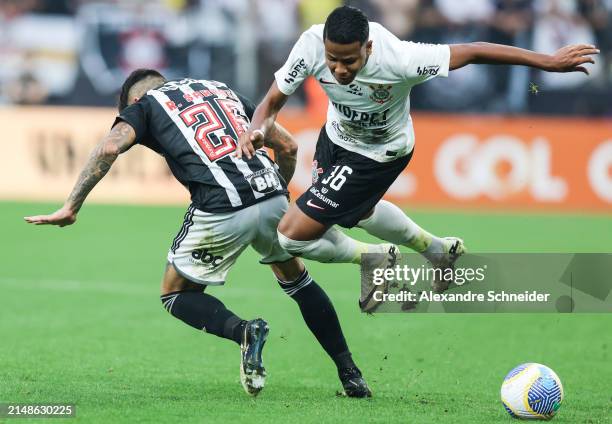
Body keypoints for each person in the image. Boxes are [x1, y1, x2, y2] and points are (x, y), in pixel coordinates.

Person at [24, 69, 373, 398]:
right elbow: (289, 146)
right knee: (296, 280)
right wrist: (273, 195)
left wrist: (71, 205)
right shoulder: (220, 89)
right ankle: (350, 372)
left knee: (174, 294)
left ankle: (244, 331)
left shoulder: (145, 106)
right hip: (270, 192)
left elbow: (110, 147)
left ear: (131, 103)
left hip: (220, 205)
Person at [236, 5, 599, 309]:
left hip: (381, 151)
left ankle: (375, 258)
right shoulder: (310, 46)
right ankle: (439, 250)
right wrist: (256, 129)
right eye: (333, 61)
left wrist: (546, 62)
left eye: (349, 61)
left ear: (368, 47)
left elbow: (472, 51)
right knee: (359, 211)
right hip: (335, 138)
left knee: (291, 236)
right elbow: (270, 104)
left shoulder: (401, 59)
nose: (340, 70)